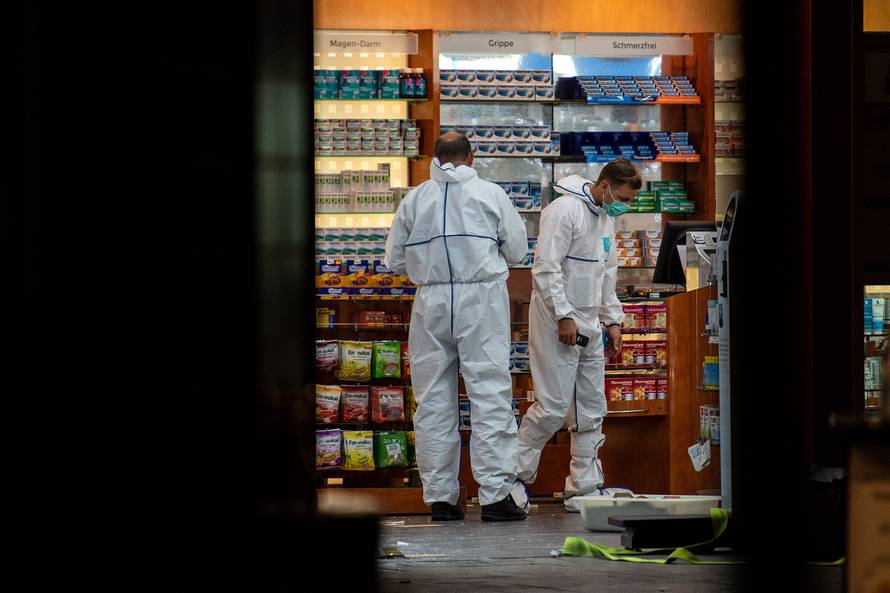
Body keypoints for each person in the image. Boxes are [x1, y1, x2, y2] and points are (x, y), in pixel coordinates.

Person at [385, 132, 529, 522]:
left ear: (434, 157)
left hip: (430, 301)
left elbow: (394, 259)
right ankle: (496, 496)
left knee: (432, 399)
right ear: (471, 155)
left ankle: (442, 500)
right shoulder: (490, 194)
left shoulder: (415, 198)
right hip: (480, 299)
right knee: (490, 394)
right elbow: (518, 250)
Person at [510, 158, 642, 513]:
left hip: (589, 323)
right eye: (624, 198)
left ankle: (583, 487)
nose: (624, 205)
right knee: (552, 408)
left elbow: (606, 273)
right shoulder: (563, 210)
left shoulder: (604, 218)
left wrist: (612, 319)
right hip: (557, 321)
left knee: (590, 408)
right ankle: (512, 481)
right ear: (605, 186)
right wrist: (564, 316)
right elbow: (546, 268)